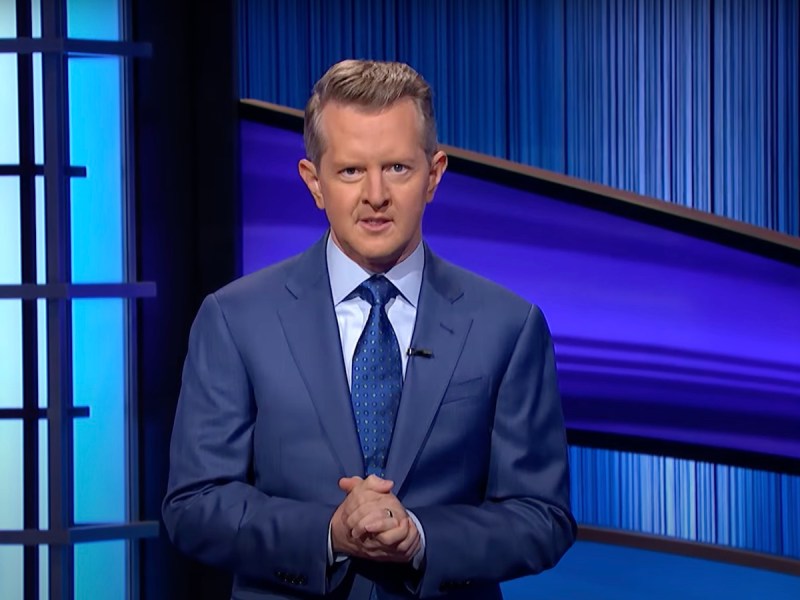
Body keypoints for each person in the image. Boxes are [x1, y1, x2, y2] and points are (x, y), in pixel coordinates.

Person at [163, 59, 576, 600]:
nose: (376, 194)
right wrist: (328, 534)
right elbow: (194, 505)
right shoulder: (236, 319)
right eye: (351, 170)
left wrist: (423, 538)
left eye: (398, 169)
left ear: (435, 175)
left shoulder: (507, 326)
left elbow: (542, 516)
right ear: (314, 182)